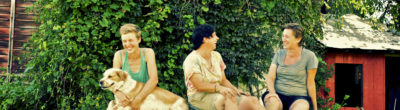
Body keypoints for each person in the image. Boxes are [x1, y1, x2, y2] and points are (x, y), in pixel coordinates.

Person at [183, 24, 264, 110]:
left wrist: (235, 90)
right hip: (199, 96)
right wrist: (220, 88)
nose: (217, 38)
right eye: (214, 36)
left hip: (219, 92)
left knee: (251, 100)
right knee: (225, 99)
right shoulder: (192, 59)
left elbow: (223, 80)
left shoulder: (216, 56)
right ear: (205, 39)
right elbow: (199, 85)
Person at [262, 23, 318, 110]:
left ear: (298, 39)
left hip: (299, 98)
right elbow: (270, 77)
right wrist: (273, 94)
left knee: (301, 107)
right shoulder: (279, 54)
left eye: (287, 37)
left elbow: (310, 83)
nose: (283, 39)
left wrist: (315, 108)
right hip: (277, 94)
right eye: (283, 36)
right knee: (273, 103)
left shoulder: (309, 56)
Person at [112, 24, 159, 110]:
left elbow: (154, 80)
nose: (127, 44)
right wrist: (118, 93)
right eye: (124, 41)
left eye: (130, 40)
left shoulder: (148, 53)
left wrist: (137, 99)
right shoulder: (119, 55)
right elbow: (113, 81)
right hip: (125, 101)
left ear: (139, 39)